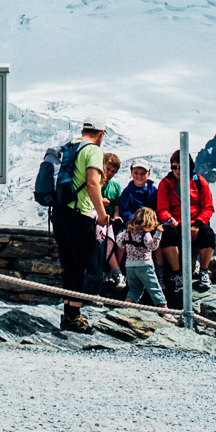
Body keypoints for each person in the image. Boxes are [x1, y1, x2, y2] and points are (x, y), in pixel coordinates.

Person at [52, 115, 109, 334]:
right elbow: (93, 183)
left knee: (69, 263)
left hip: (60, 213)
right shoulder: (93, 150)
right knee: (80, 265)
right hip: (79, 214)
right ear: (101, 133)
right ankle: (73, 317)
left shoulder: (70, 147)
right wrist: (102, 215)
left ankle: (68, 312)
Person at [157, 150, 216, 295]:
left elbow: (208, 207)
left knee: (208, 234)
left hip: (195, 223)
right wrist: (169, 219)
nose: (177, 170)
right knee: (167, 236)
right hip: (176, 224)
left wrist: (197, 224)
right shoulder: (166, 183)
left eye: (180, 167)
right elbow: (162, 208)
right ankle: (178, 275)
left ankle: (203, 271)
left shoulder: (199, 182)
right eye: (174, 167)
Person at [118, 207, 166, 306]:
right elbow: (152, 246)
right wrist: (158, 233)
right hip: (145, 265)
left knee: (134, 289)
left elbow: (119, 242)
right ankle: (164, 310)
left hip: (130, 266)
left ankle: (126, 307)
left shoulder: (127, 232)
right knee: (155, 289)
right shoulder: (145, 234)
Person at [98, 152, 125, 290]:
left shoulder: (115, 187)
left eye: (113, 171)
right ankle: (116, 272)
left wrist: (116, 216)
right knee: (107, 239)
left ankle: (110, 272)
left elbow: (116, 207)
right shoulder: (96, 183)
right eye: (107, 169)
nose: (109, 173)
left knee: (121, 239)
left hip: (110, 221)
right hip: (98, 220)